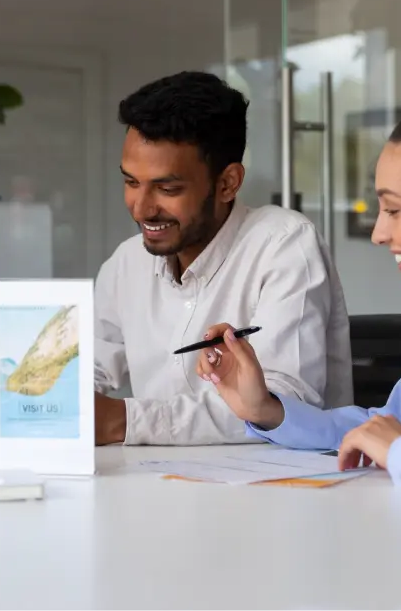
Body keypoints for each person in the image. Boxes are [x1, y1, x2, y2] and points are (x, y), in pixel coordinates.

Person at [200, 93, 401, 505]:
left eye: (393, 210)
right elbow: (385, 429)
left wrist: (400, 451)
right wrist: (266, 409)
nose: (378, 234)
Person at [93, 71, 352, 446]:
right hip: (157, 483)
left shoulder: (284, 245)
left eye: (167, 188)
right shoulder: (127, 262)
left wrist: (125, 420)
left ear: (228, 183)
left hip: (281, 490)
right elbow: (87, 369)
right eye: (131, 182)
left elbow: (283, 403)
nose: (142, 208)